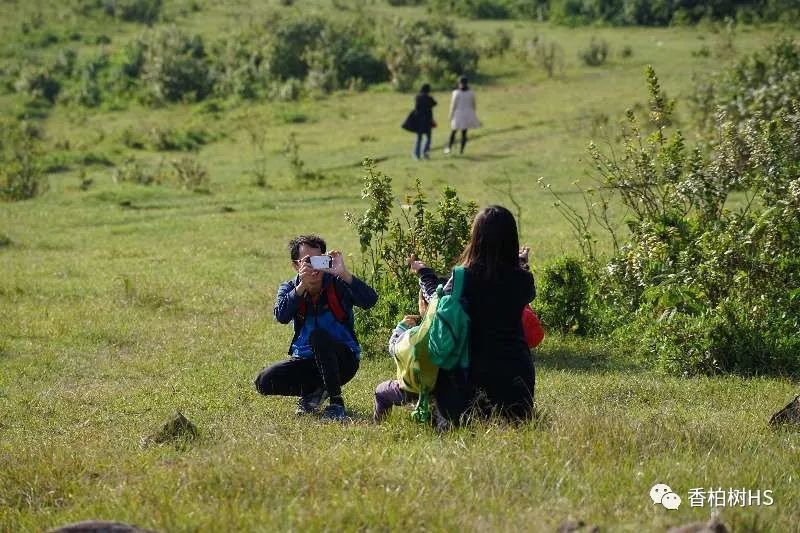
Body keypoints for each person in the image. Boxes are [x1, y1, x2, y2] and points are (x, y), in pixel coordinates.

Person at [419, 206, 536, 425]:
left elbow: (436, 300)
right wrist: (521, 264)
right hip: (518, 386)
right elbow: (513, 284)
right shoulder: (524, 280)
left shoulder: (463, 277)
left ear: (477, 238)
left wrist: (424, 275)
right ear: (512, 239)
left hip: (470, 383)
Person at [254, 235, 378, 422]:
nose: (315, 268)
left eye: (319, 260)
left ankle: (336, 404)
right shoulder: (290, 287)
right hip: (307, 361)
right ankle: (314, 393)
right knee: (264, 382)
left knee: (318, 337)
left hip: (344, 361)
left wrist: (343, 273)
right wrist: (302, 286)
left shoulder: (338, 283)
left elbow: (370, 301)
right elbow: (281, 316)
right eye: (307, 262)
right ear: (296, 266)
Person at [444, 75, 480, 155]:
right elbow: (474, 105)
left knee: (453, 131)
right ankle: (461, 151)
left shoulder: (456, 93)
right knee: (464, 133)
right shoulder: (471, 93)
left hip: (458, 113)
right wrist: (472, 113)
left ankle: (449, 148)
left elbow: (453, 105)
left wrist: (450, 114)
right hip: (467, 113)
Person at [411, 83, 437, 160]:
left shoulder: (418, 97)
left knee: (419, 138)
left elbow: (416, 108)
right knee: (428, 138)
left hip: (419, 120)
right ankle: (425, 153)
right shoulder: (429, 98)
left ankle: (417, 155)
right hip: (428, 120)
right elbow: (435, 103)